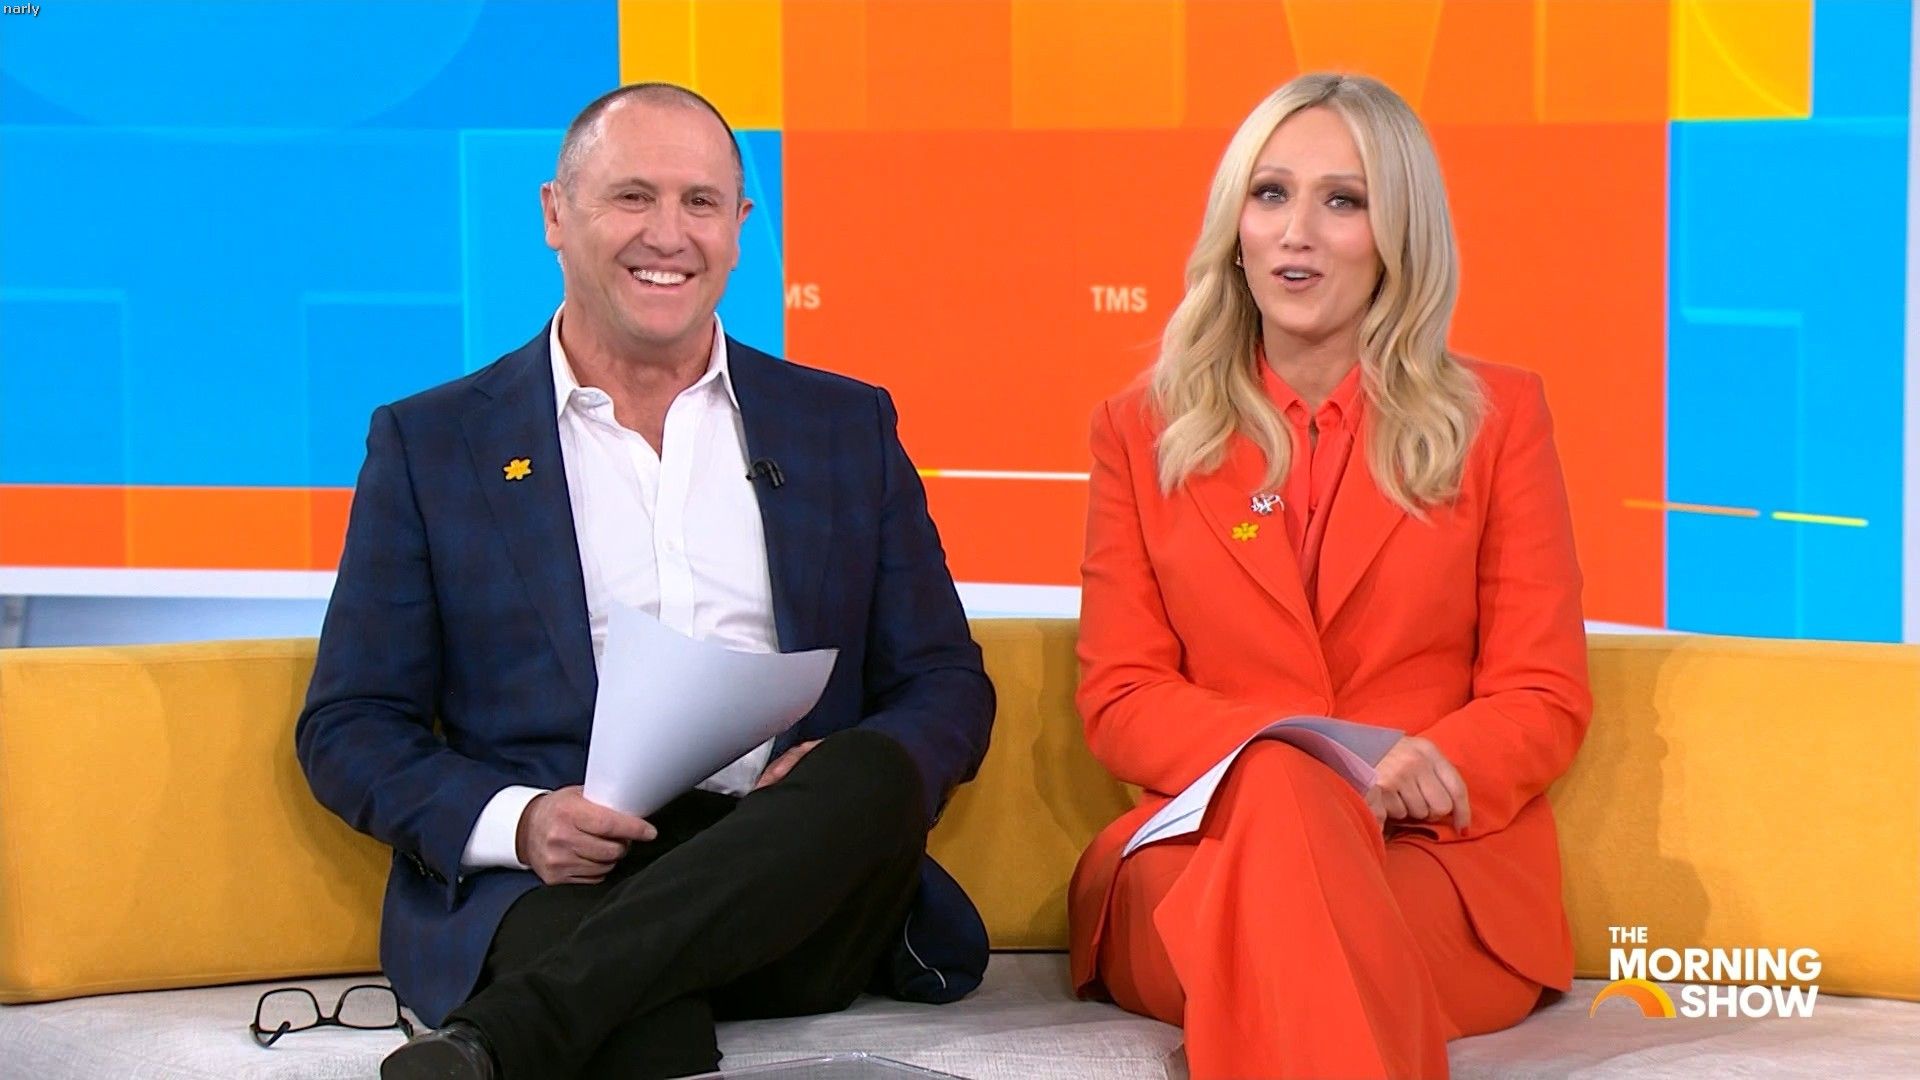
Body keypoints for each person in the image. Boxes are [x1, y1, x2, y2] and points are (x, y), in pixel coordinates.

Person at [295, 82, 995, 1080]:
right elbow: (351, 723)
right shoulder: (434, 444)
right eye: (632, 196)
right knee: (636, 1030)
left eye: (700, 203)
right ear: (555, 214)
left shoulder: (842, 427)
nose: (668, 234)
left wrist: (820, 784)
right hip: (568, 883)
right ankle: (565, 1008)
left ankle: (501, 1036)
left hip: (794, 874)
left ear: (739, 226)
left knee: (872, 770)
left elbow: (944, 683)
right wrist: (523, 822)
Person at [1067, 72, 1591, 1078]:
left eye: (1342, 201)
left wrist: (1430, 769)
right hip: (1203, 857)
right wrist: (1291, 761)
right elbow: (1122, 696)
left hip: (1429, 863)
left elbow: (1543, 692)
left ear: (1399, 236)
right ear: (1235, 227)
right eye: (1270, 194)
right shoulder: (1139, 430)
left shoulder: (1499, 421)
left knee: (1298, 942)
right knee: (1280, 797)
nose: (1295, 233)